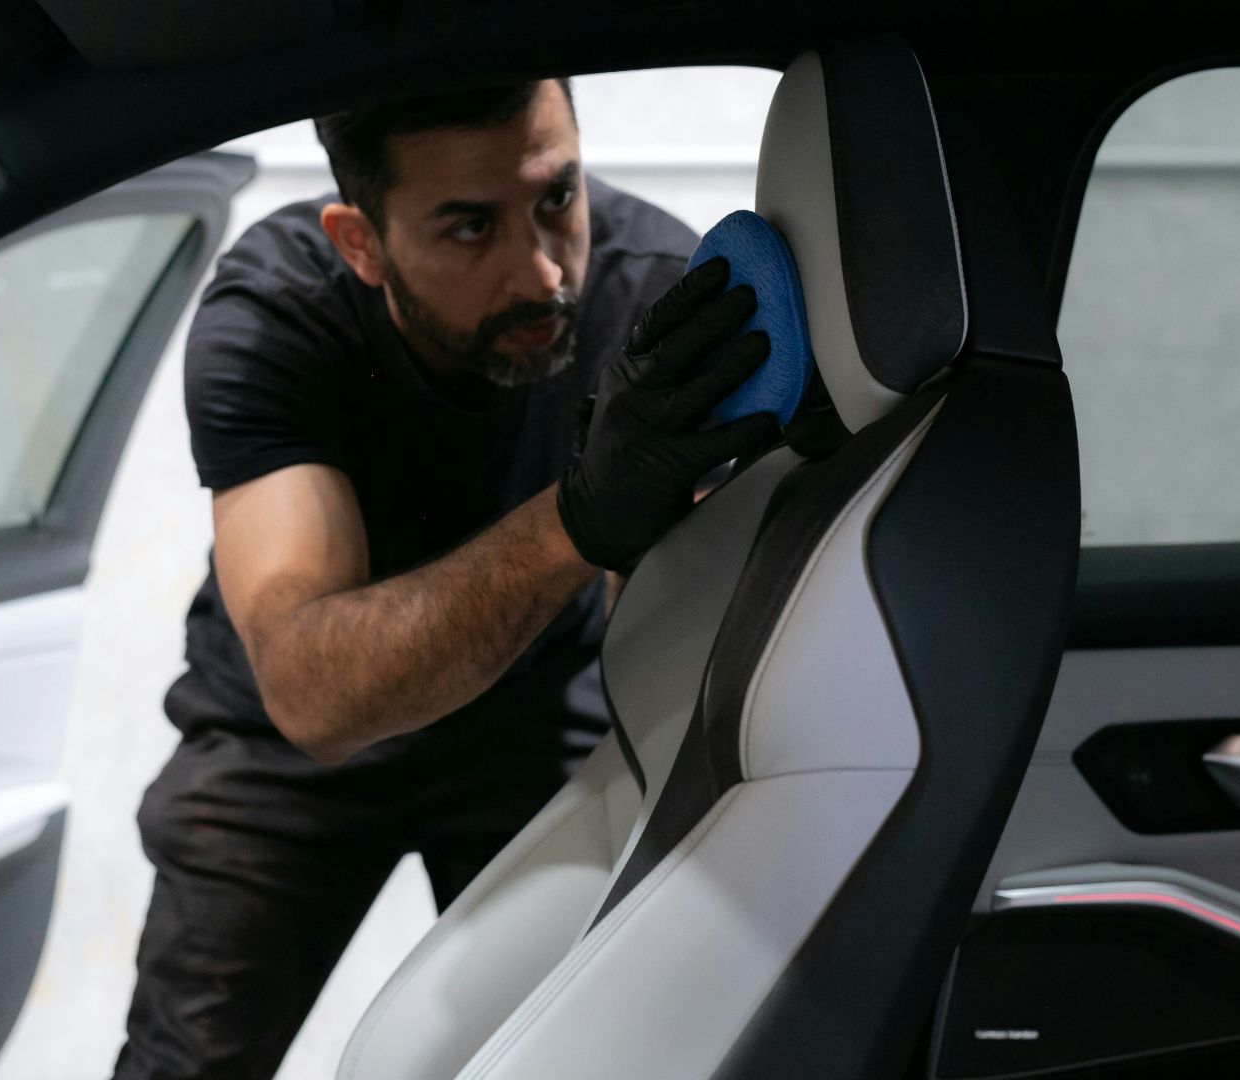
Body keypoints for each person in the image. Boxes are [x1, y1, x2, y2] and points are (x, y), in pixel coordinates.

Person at [113, 78, 778, 1080]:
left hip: (538, 722)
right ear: (360, 242)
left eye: (556, 198)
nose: (542, 272)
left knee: (565, 1055)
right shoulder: (282, 313)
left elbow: (679, 651)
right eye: (470, 229)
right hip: (284, 761)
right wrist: (578, 519)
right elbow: (310, 691)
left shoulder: (656, 304)